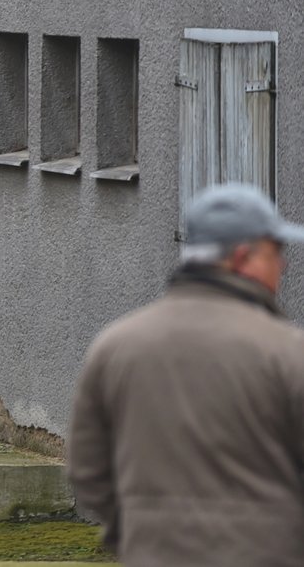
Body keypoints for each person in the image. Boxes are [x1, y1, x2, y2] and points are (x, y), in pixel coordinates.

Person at [68, 182, 304, 567]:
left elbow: (88, 471)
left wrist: (139, 534)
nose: (284, 265)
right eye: (276, 252)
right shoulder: (288, 351)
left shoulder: (116, 345)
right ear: (242, 257)